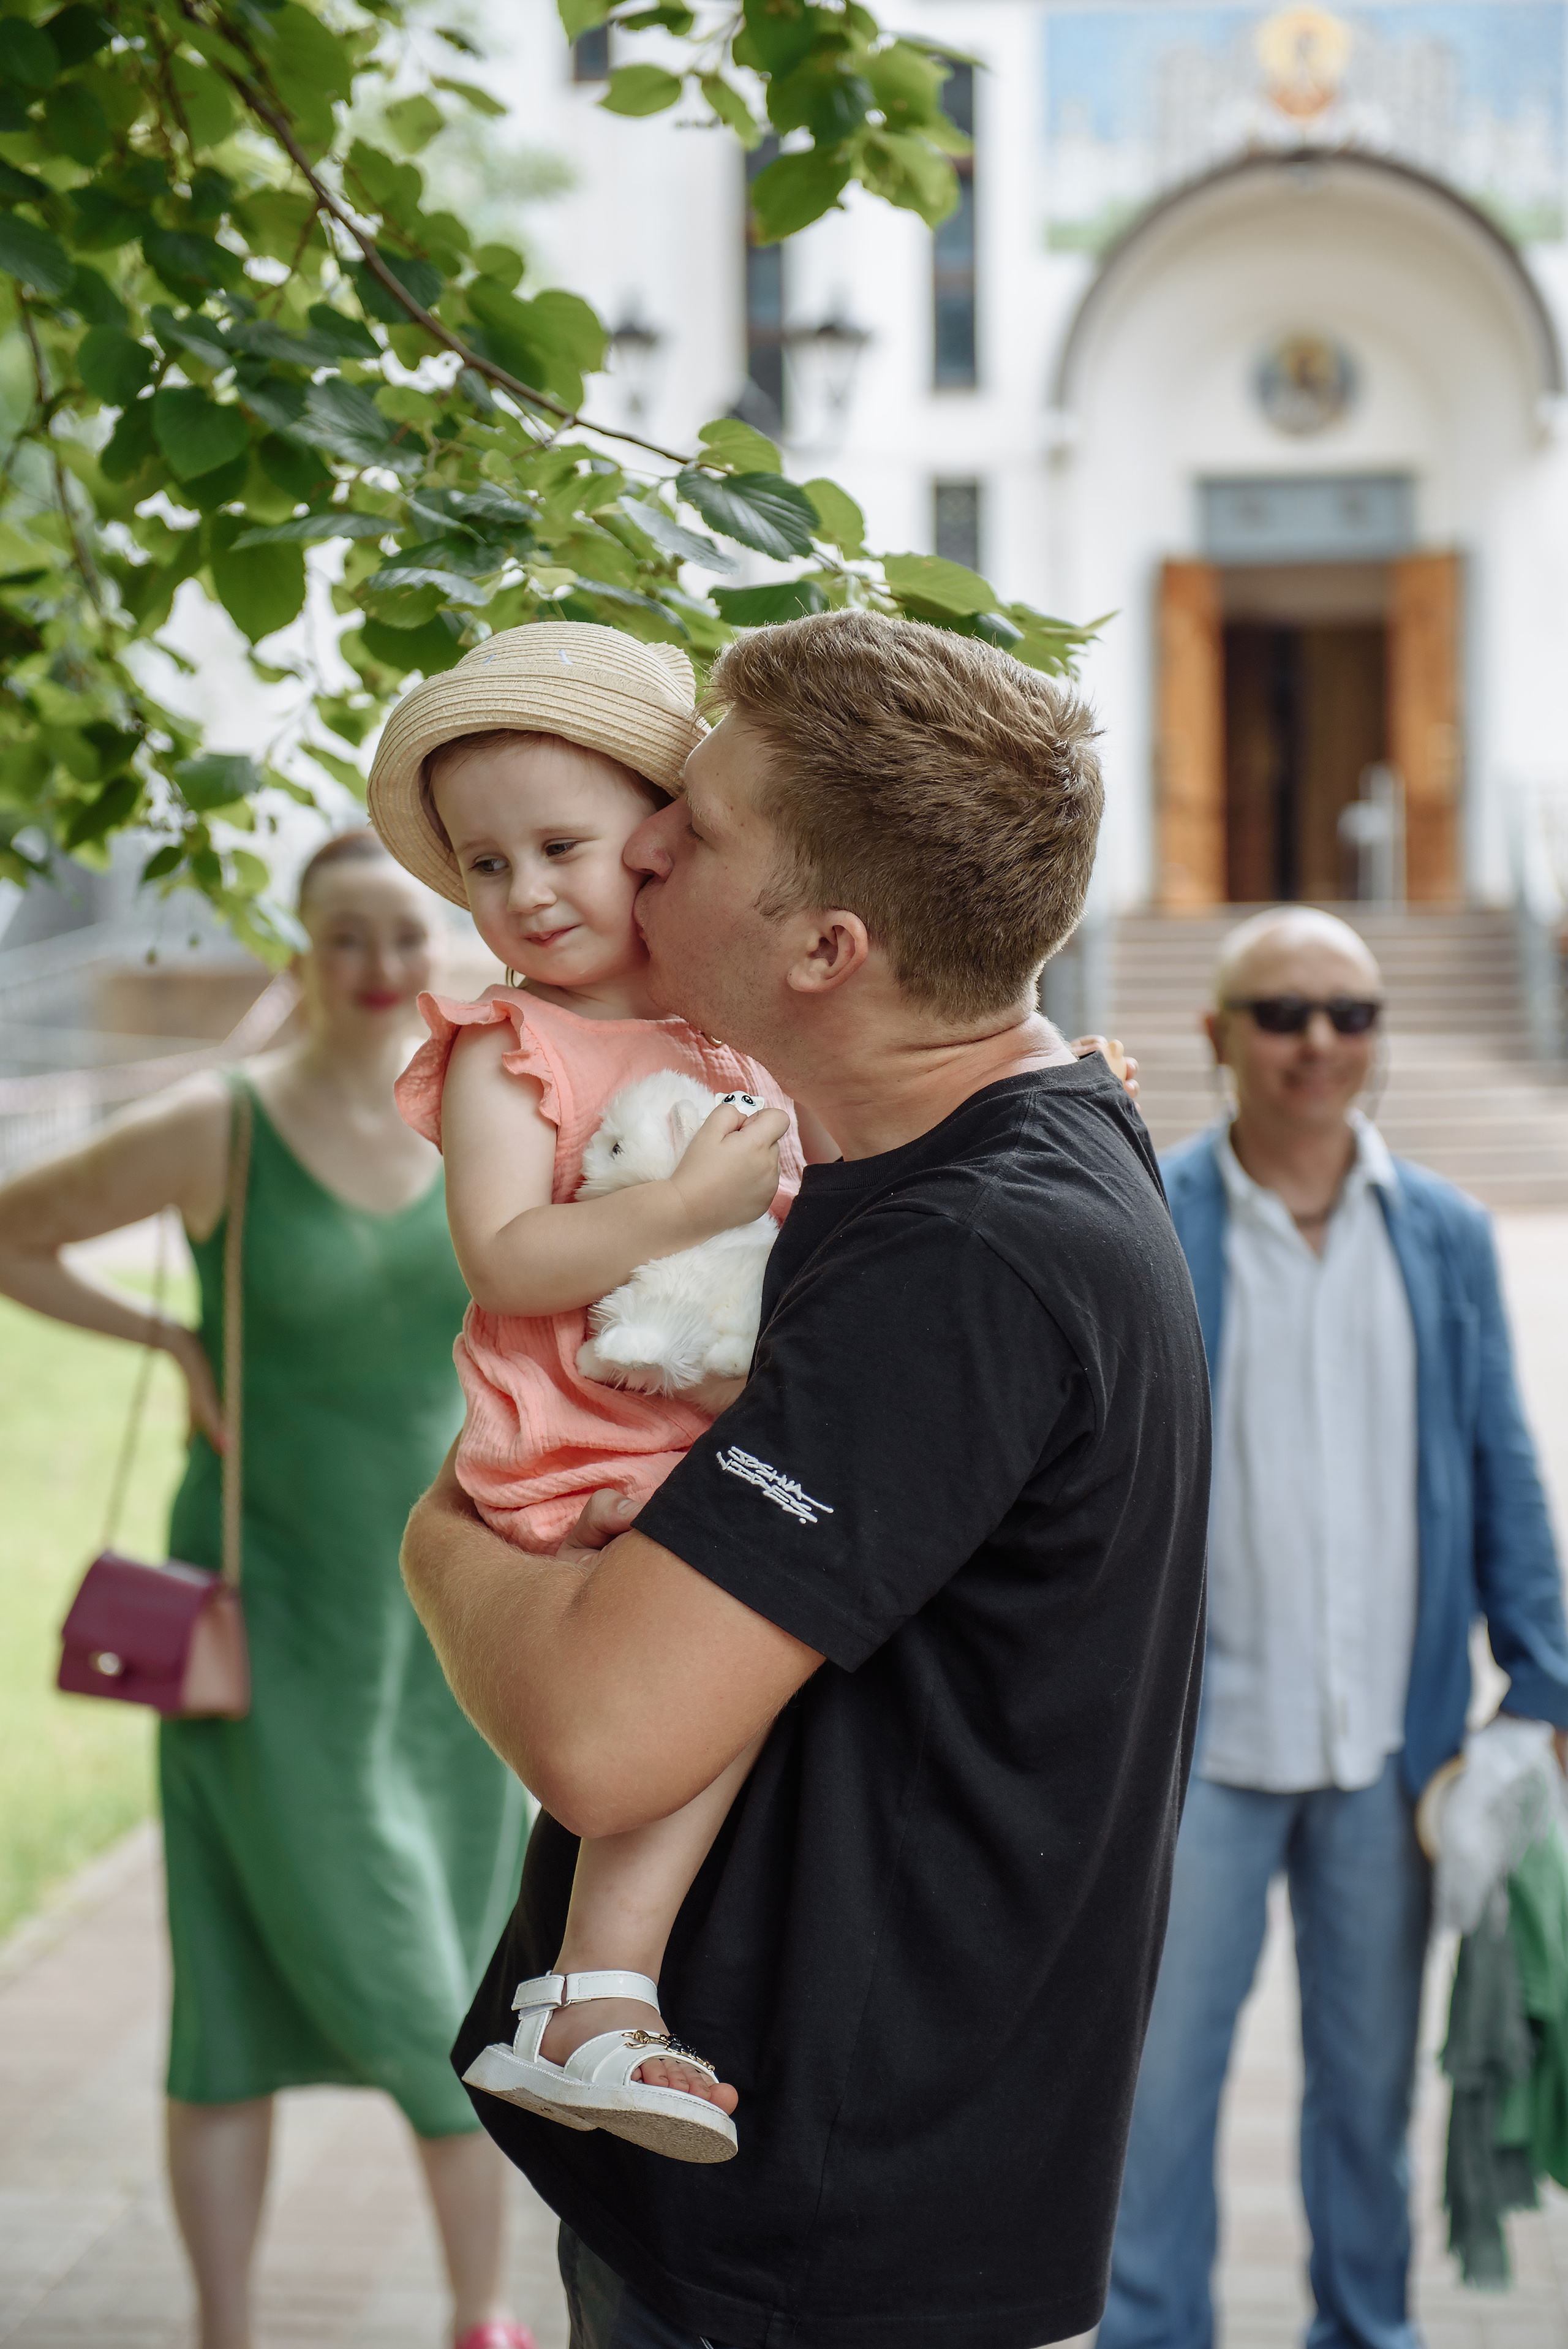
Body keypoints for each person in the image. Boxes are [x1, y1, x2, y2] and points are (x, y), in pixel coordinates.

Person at [397, 608, 1212, 2349]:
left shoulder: (967, 1259)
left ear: (830, 948)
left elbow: (601, 1733)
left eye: (696, 827)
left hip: (819, 2233)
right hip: (788, 2183)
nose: (643, 848)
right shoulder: (988, 1148)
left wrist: (442, 1537)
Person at [0, 832, 535, 2349]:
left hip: (449, 1630)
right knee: (370, 1984)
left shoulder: (484, 1119)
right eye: (344, 937)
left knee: (433, 1957)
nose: (378, 966)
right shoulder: (219, 1125)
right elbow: (14, 1233)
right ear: (298, 953)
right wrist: (169, 1343)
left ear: (440, 951)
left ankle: (477, 2311)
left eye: (403, 936)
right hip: (268, 1618)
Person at [367, 621, 807, 2163]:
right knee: (716, 1667)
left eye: (561, 846)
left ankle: (625, 1986)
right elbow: (502, 1254)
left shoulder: (736, 1021)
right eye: (485, 867)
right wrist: (681, 1209)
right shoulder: (513, 1049)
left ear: (661, 833)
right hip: (589, 1432)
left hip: (713, 1414)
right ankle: (594, 1988)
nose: (526, 893)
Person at [1099, 905, 1568, 2349]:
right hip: (1195, 1757)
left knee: (1365, 2098)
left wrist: (1542, 1682)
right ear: (1216, 1033)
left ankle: (1363, 2331)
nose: (1317, 1042)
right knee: (1152, 2098)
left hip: (1387, 1755)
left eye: (1349, 1015)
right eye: (1282, 1013)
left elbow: (1498, 1459)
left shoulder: (1442, 1232)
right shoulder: (1147, 1216)